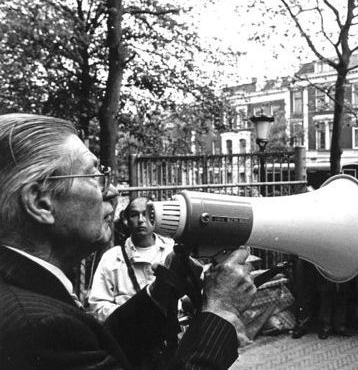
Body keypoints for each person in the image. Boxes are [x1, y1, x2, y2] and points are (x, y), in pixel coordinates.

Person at [0, 114, 256, 369]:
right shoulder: (39, 327)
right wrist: (221, 311)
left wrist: (160, 293)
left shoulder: (23, 297)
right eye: (94, 176)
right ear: (40, 202)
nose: (111, 192)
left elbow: (99, 350)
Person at [88, 197, 175, 322]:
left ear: (156, 216)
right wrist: (132, 315)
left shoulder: (171, 251)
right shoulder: (112, 258)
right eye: (134, 215)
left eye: (146, 214)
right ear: (126, 220)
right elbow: (97, 306)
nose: (140, 220)